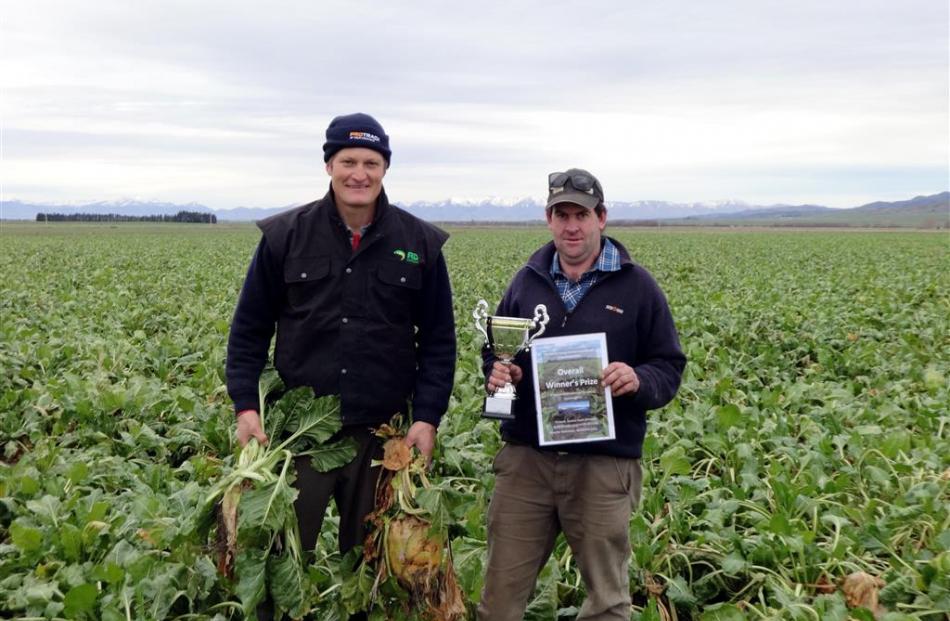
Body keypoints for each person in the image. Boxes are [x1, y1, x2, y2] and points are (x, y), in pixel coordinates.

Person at [225, 112, 456, 617]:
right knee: (279, 561)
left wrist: (427, 417)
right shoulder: (285, 236)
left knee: (370, 572)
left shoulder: (419, 244)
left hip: (382, 437)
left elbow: (439, 341)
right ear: (329, 164)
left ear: (385, 168)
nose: (359, 173)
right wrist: (247, 405)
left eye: (370, 162)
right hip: (297, 439)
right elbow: (248, 332)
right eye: (347, 161)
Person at [477, 168, 686, 620]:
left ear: (601, 218)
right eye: (561, 214)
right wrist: (499, 373)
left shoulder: (638, 287)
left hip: (603, 465)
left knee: (607, 602)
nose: (572, 226)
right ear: (548, 219)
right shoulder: (525, 281)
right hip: (527, 462)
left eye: (582, 214)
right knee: (499, 599)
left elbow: (668, 366)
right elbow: (495, 351)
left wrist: (638, 379)